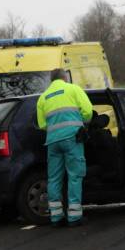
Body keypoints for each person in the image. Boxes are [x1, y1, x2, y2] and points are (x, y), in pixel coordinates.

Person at [36, 68, 93, 228]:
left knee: (54, 178)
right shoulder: (73, 89)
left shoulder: (43, 97)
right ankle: (74, 217)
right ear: (65, 78)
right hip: (72, 138)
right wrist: (79, 121)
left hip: (52, 142)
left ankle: (56, 217)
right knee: (75, 176)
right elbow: (88, 112)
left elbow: (42, 125)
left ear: (51, 80)